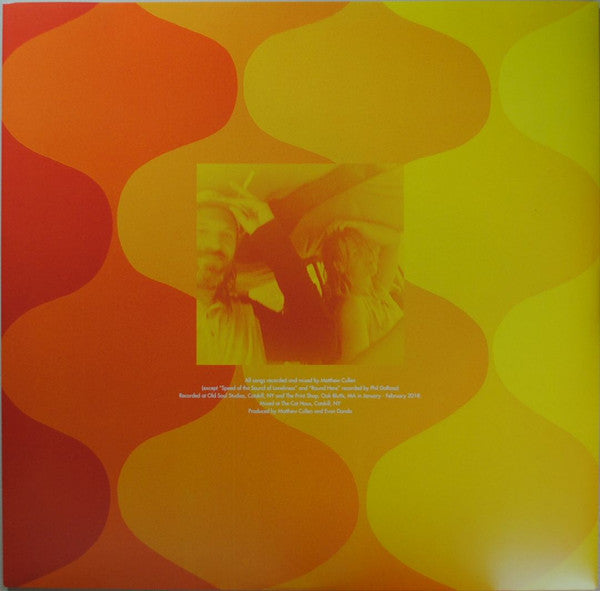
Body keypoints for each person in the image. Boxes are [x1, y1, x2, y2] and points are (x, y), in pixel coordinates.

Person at [196, 189, 333, 365]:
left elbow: (320, 344)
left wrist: (271, 236)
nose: (216, 245)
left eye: (226, 235)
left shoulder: (247, 318)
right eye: (202, 231)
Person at [320, 222, 404, 363]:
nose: (367, 255)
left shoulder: (377, 291)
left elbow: (394, 240)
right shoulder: (353, 308)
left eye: (364, 248)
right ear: (339, 265)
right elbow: (359, 368)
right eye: (356, 253)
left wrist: (360, 228)